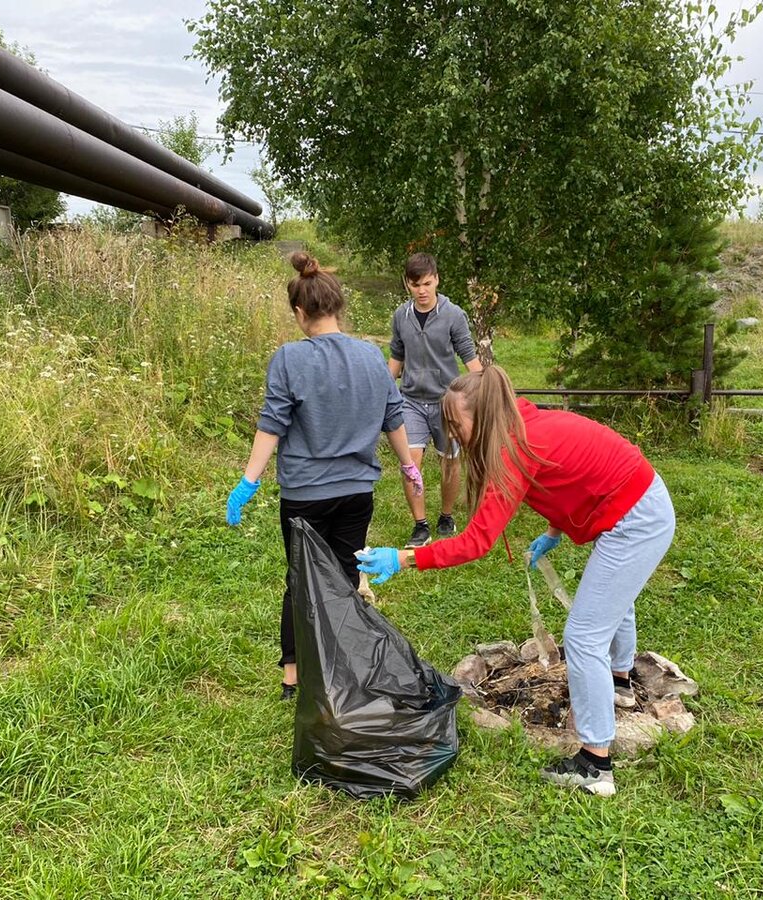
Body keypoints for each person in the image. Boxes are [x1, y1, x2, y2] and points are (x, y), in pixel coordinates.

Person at [355, 366, 676, 797]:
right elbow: (568, 479)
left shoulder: (513, 449)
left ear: (482, 415)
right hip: (638, 502)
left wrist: (406, 557)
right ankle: (618, 683)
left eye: (455, 423)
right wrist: (553, 532)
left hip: (637, 519)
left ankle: (595, 765)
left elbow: (475, 542)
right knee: (612, 600)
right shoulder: (522, 423)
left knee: (583, 636)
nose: (451, 432)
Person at [226, 252, 423, 700]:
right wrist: (408, 465)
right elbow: (394, 417)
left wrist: (249, 481)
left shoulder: (289, 359)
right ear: (338, 307)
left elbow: (272, 423)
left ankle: (293, 679)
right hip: (358, 492)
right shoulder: (372, 358)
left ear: (300, 312)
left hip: (304, 496)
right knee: (346, 578)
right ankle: (343, 667)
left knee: (302, 581)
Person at [388, 252, 483, 548]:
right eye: (416, 285)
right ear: (407, 284)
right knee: (410, 464)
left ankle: (445, 515)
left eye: (427, 283)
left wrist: (486, 393)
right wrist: (379, 389)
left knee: (450, 463)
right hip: (412, 401)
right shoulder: (400, 316)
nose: (422, 290)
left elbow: (469, 357)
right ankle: (420, 525)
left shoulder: (453, 314)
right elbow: (395, 359)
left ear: (437, 280)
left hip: (447, 402)